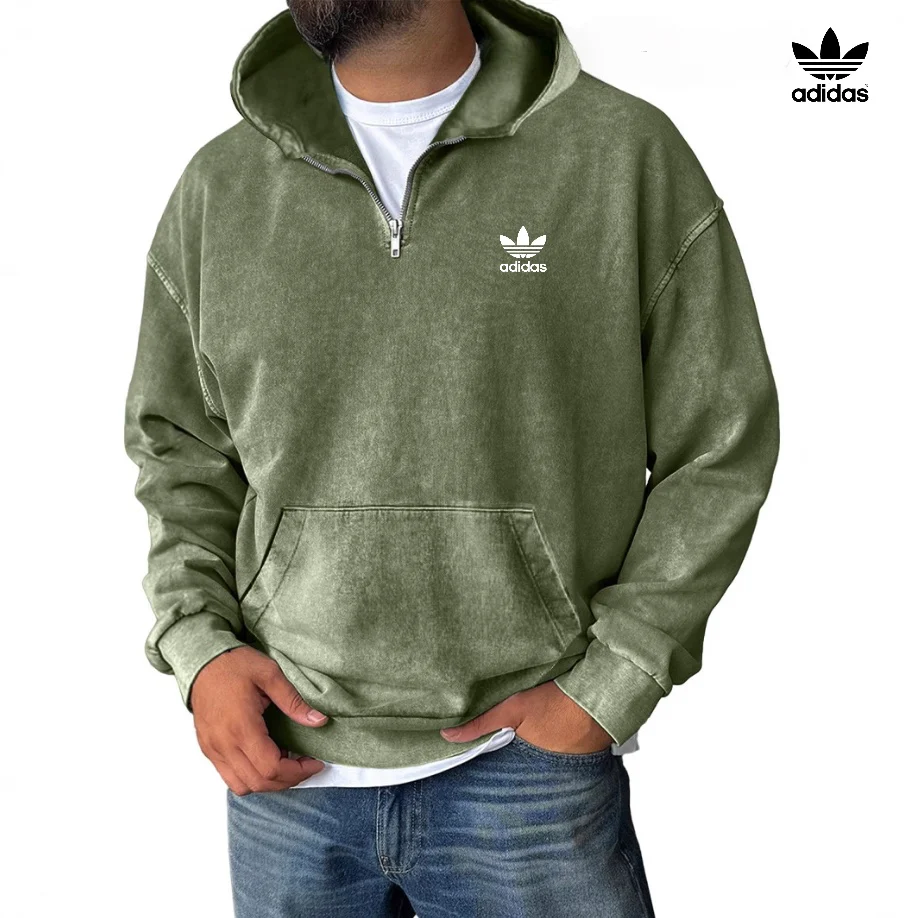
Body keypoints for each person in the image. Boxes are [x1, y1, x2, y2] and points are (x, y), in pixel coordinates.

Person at [123, 0, 780, 914]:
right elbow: (179, 451)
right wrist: (201, 653)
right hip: (287, 769)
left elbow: (721, 439)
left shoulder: (619, 154)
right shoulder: (221, 187)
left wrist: (613, 680)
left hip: (530, 774)